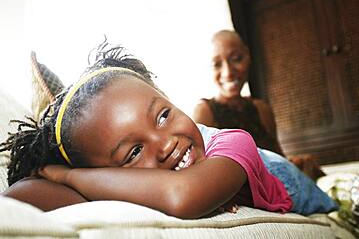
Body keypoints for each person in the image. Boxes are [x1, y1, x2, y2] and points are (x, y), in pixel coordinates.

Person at [0, 41, 337, 218]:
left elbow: (182, 195)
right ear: (106, 173)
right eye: (133, 153)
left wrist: (68, 177)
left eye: (162, 116)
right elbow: (18, 199)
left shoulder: (235, 143)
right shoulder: (120, 182)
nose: (165, 144)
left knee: (322, 187)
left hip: (280, 175)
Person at [192, 30, 325, 180]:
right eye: (216, 64)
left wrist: (297, 165)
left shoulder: (262, 109)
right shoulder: (204, 112)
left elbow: (278, 160)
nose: (228, 72)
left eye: (236, 58)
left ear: (248, 56)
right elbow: (205, 178)